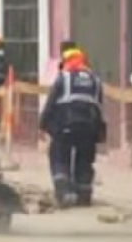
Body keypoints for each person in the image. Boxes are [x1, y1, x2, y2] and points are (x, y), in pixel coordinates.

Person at [40, 48, 105, 207]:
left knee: (59, 156)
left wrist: (43, 124)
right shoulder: (96, 81)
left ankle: (65, 193)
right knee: (85, 160)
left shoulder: (64, 78)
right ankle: (84, 195)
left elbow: (51, 104)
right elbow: (100, 108)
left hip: (65, 127)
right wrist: (99, 132)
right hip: (89, 129)